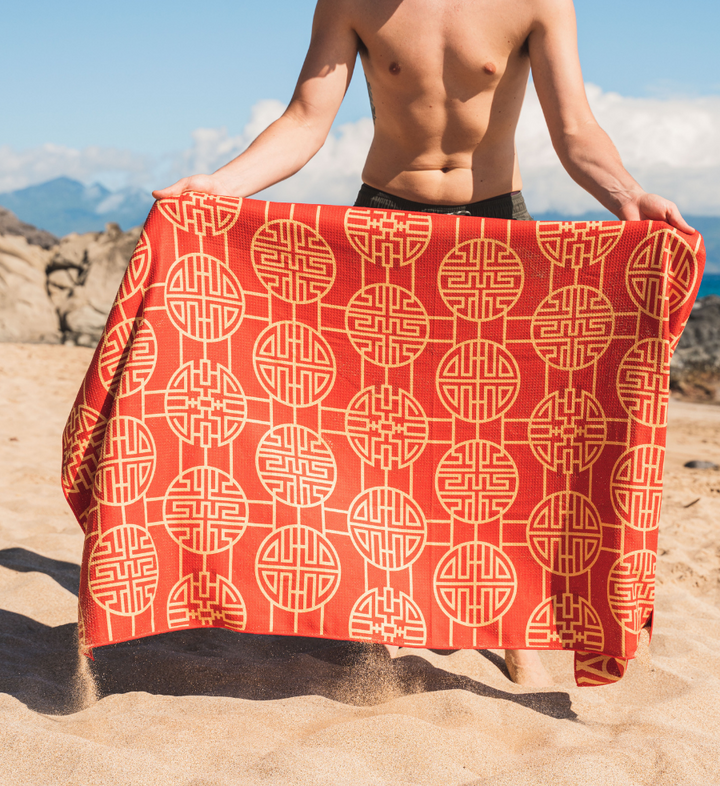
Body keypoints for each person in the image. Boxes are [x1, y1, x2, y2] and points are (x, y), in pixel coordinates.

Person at [154, 0, 693, 687]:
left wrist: (628, 194)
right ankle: (376, 616)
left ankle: (511, 626)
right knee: (375, 440)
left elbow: (576, 129)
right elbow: (304, 119)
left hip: (494, 229)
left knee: (503, 445)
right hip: (384, 227)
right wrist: (217, 187)